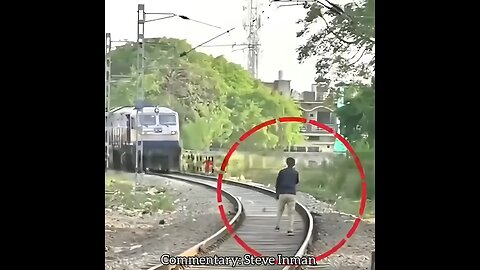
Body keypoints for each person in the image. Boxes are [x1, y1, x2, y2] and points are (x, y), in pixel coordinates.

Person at [274, 157, 299, 236]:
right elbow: (296, 182)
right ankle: (290, 229)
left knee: (280, 210)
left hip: (282, 193)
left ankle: (277, 226)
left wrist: (277, 193)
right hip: (291, 193)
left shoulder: (282, 172)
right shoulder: (295, 172)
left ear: (286, 163)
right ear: (294, 164)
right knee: (291, 212)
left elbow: (277, 183)